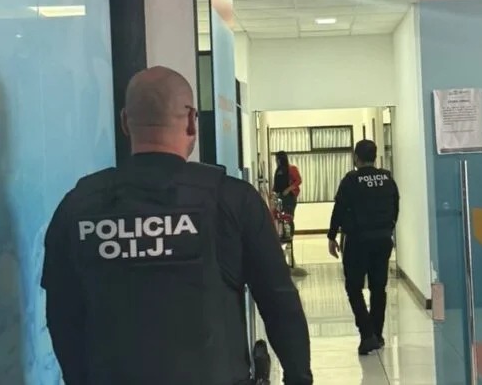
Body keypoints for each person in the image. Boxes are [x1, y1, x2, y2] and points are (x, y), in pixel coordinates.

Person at [41, 66, 313, 385]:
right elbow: (279, 302)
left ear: (125, 121)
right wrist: (299, 378)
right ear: (191, 121)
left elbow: (62, 316)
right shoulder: (232, 200)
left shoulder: (78, 206)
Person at [327, 139, 400, 356]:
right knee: (378, 288)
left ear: (356, 157)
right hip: (382, 240)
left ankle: (367, 334)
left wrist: (332, 235)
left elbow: (339, 208)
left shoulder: (351, 180)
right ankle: (377, 334)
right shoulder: (387, 178)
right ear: (374, 157)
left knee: (353, 287)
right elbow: (395, 206)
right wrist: (388, 228)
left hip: (357, 241)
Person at [272, 151, 302, 235]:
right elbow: (277, 185)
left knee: (288, 218)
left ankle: (290, 237)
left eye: (277, 159)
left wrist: (288, 189)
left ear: (281, 159)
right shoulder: (278, 170)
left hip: (289, 198)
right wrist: (273, 193)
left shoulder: (292, 168)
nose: (276, 161)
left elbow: (299, 180)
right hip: (280, 198)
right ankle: (282, 236)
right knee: (279, 218)